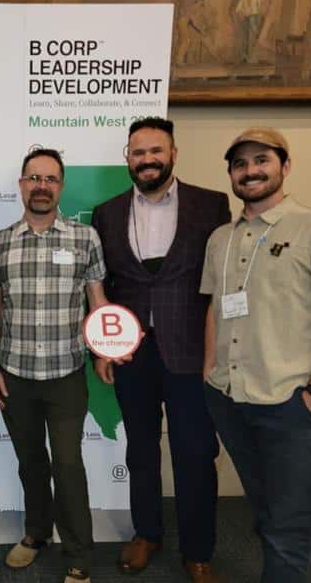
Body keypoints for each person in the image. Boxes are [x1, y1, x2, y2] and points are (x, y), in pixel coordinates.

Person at [201, 128, 311, 582]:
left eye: (261, 160)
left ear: (284, 166)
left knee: (290, 528)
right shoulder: (221, 239)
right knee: (267, 512)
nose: (250, 170)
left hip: (290, 404)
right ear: (231, 174)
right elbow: (215, 309)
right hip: (229, 399)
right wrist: (209, 375)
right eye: (240, 164)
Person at [91, 117, 230, 582]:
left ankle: (199, 550)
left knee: (194, 452)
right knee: (141, 452)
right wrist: (103, 348)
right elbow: (101, 289)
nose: (147, 159)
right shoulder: (106, 213)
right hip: (132, 356)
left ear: (173, 153)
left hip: (192, 353)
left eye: (156, 150)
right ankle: (147, 532)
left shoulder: (211, 206)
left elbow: (221, 286)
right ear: (127, 158)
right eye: (138, 151)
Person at [0, 149, 108, 583]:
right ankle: (36, 532)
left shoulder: (84, 239)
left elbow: (98, 302)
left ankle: (78, 553)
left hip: (66, 376)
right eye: (33, 177)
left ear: (61, 186)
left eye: (50, 178)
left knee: (68, 466)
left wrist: (108, 348)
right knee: (30, 461)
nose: (41, 185)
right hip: (16, 376)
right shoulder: (0, 242)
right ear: (21, 184)